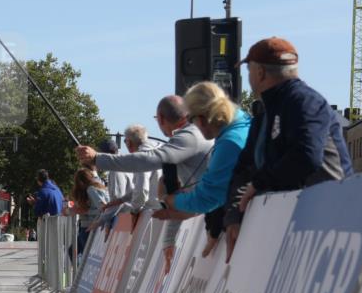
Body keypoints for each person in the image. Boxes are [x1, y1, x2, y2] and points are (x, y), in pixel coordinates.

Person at [224, 37, 354, 261]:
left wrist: (259, 183)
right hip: (295, 227)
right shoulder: (265, 114)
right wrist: (233, 216)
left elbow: (306, 156)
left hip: (332, 225)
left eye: (248, 69)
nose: (248, 77)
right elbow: (245, 169)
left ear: (260, 73)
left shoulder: (305, 102)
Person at [77, 97, 212, 263]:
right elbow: (175, 192)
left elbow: (143, 163)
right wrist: (169, 239)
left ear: (161, 119)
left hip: (207, 216)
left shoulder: (187, 138)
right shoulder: (191, 136)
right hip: (206, 216)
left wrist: (97, 158)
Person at [156, 82, 252, 260]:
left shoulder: (229, 143)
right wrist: (213, 227)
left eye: (191, 120)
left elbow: (207, 197)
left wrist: (167, 200)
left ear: (200, 119)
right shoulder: (241, 120)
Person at [69, 168, 109, 258]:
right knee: (74, 252)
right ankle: (79, 271)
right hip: (91, 227)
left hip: (89, 227)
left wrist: (85, 211)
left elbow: (103, 208)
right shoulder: (98, 187)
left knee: (85, 257)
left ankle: (80, 271)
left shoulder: (91, 189)